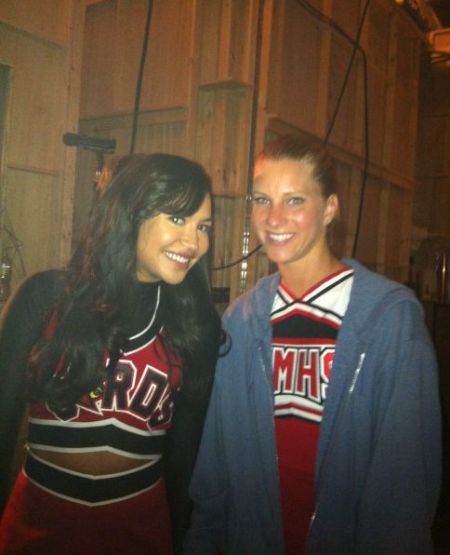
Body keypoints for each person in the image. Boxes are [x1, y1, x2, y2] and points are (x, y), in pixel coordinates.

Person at [184, 135, 442, 554]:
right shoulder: (242, 320)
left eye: (295, 200)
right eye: (262, 199)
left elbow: (405, 489)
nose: (274, 218)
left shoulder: (389, 321)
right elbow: (215, 466)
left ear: (329, 208)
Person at [0, 153, 223, 554]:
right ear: (131, 212)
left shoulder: (193, 326)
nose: (194, 243)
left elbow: (183, 460)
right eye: (177, 218)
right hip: (35, 528)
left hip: (141, 533)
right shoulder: (46, 297)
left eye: (202, 226)